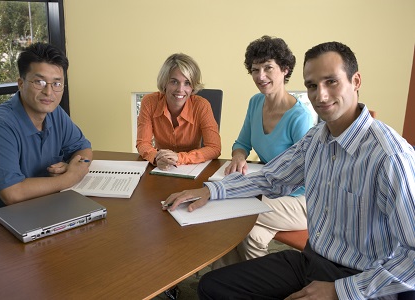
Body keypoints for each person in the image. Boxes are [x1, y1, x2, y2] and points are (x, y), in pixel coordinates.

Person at [164, 41, 415, 299]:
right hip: (312, 261)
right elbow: (272, 177)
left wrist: (340, 291)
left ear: (356, 81)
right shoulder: (316, 138)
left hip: (361, 280)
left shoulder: (390, 156)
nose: (321, 95)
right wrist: (211, 190)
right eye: (312, 86)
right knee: (212, 286)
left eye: (331, 82)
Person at [212, 36, 313, 268]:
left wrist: (259, 186)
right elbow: (241, 143)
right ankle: (234, 284)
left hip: (300, 200)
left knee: (226, 209)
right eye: (255, 69)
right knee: (251, 236)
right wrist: (238, 156)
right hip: (270, 190)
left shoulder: (300, 117)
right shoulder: (256, 102)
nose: (260, 76)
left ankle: (242, 284)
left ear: (285, 70)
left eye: (268, 68)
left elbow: (307, 175)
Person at [0, 42, 92, 208]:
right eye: (39, 82)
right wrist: (70, 177)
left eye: (56, 84)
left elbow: (84, 148)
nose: (49, 92)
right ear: (21, 83)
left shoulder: (54, 112)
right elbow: (12, 193)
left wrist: (73, 166)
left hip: (42, 205)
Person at [136, 53, 221, 170]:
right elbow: (143, 143)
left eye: (187, 83)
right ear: (164, 82)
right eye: (174, 82)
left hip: (192, 168)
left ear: (193, 86)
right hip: (161, 167)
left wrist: (179, 158)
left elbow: (214, 148)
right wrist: (156, 158)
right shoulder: (149, 102)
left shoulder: (202, 106)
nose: (180, 90)